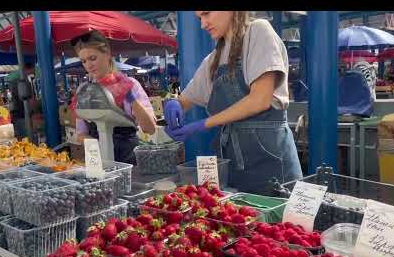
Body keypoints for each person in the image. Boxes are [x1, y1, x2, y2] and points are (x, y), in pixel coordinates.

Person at [163, 11, 302, 195]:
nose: (203, 24)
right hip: (233, 163)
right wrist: (174, 105)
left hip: (270, 161)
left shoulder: (258, 32)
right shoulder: (213, 60)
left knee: (279, 219)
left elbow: (259, 100)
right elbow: (186, 99)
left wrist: (203, 124)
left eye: (206, 14)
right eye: (199, 18)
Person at [70, 30, 156, 164]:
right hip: (99, 160)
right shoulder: (84, 91)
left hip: (129, 160)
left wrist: (131, 98)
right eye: (84, 61)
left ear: (107, 54)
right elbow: (80, 134)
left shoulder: (130, 85)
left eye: (93, 58)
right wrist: (99, 144)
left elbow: (150, 129)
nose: (89, 65)